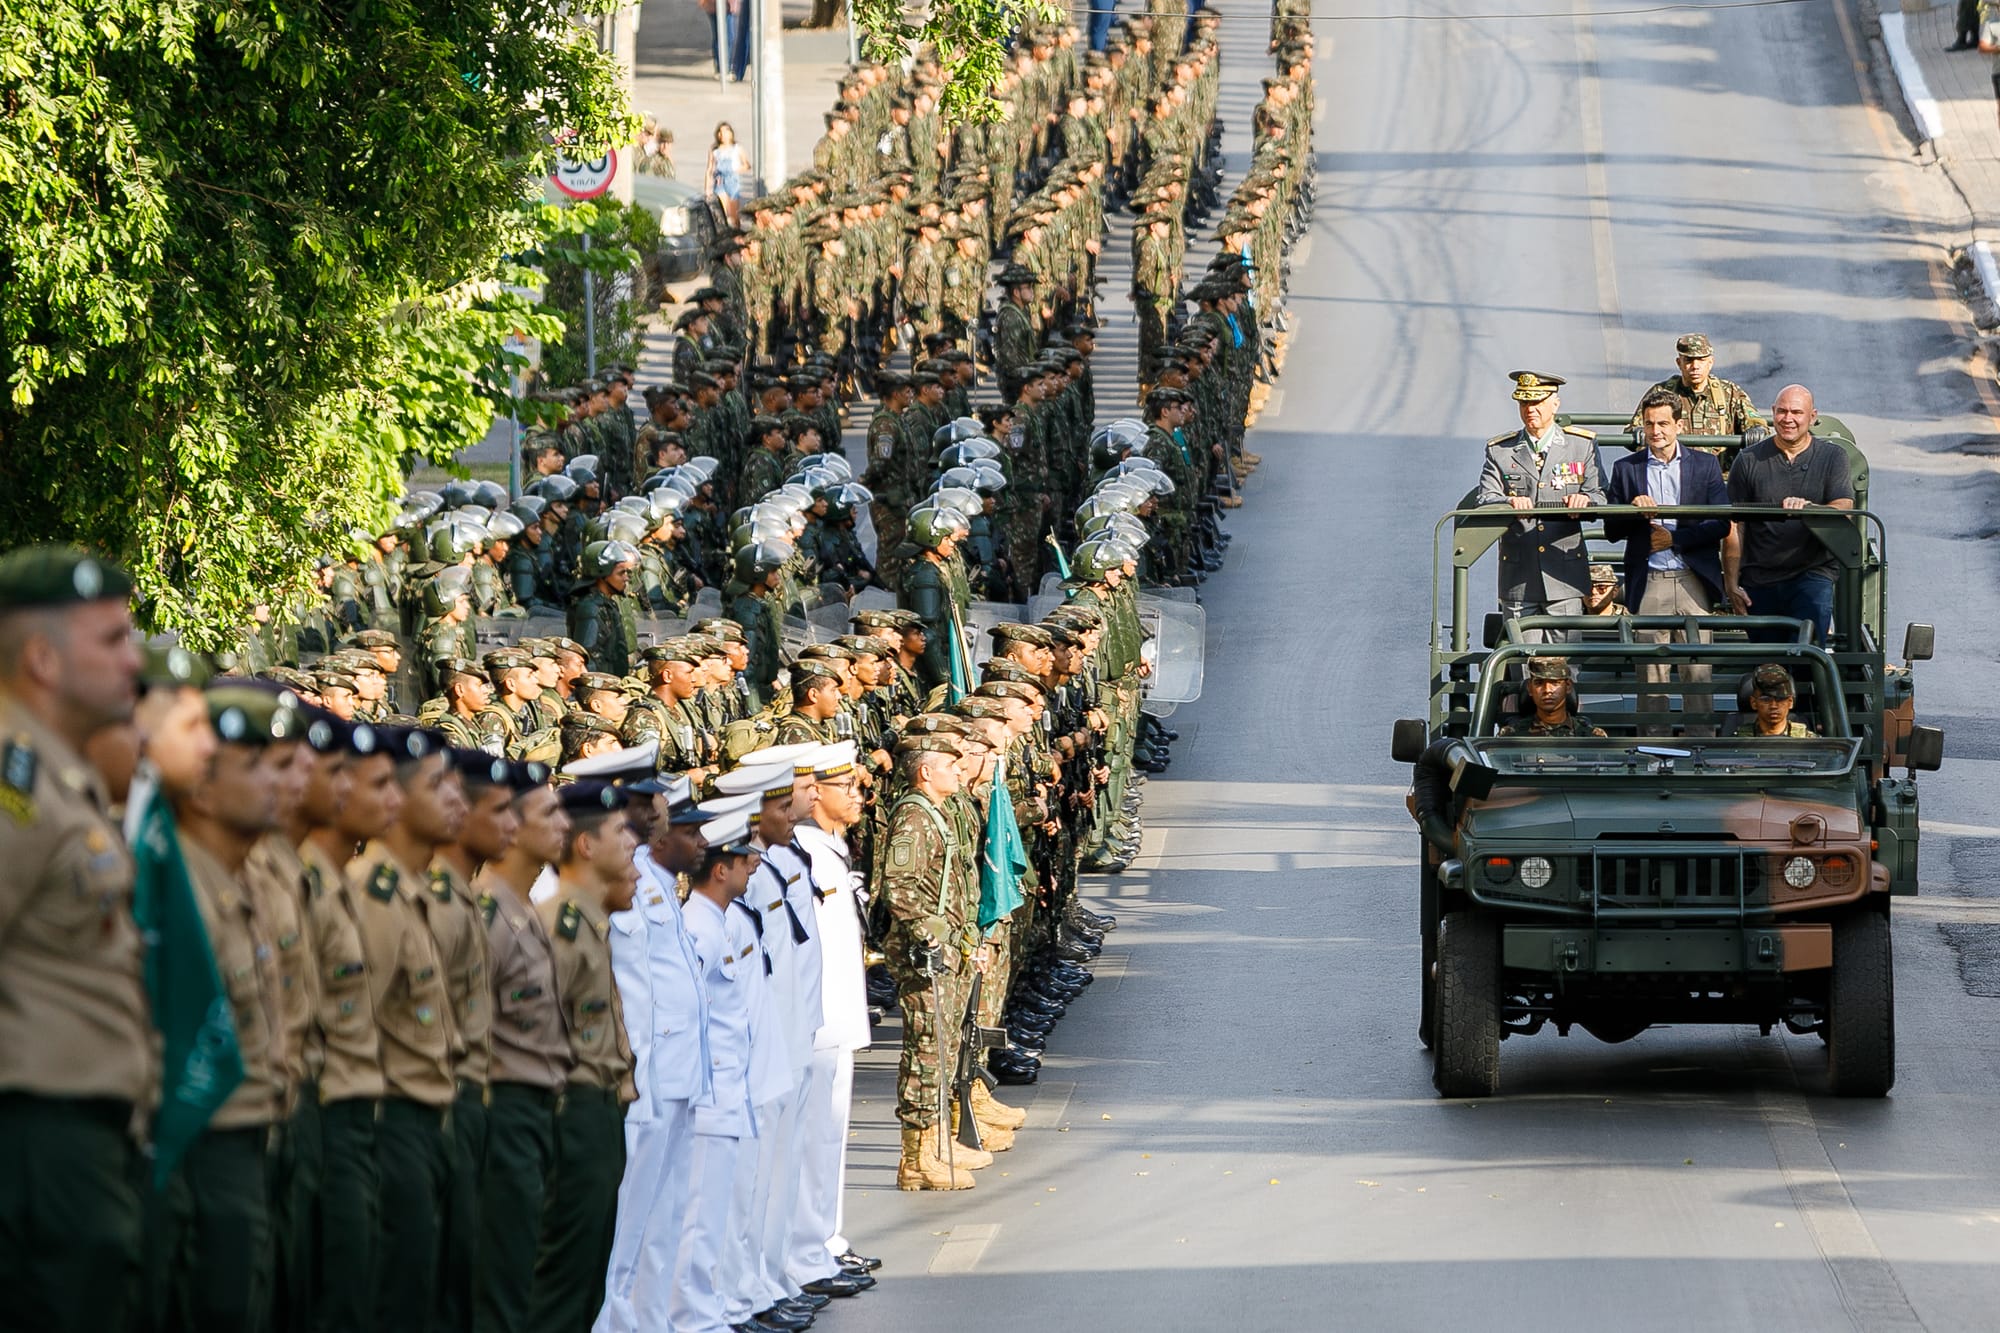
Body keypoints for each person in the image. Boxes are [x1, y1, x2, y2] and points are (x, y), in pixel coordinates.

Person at [0, 546, 148, 1333]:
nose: (134, 657)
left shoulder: (59, 774)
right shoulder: (12, 774)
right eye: (112, 639)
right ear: (42, 658)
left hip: (79, 1140)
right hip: (35, 1143)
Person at [352, 725, 465, 1333]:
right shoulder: (374, 895)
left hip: (431, 1117)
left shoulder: (421, 892)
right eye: (437, 786)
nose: (457, 800)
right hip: (391, 1122)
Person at [530, 780, 639, 1333]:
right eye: (621, 831)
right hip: (570, 1115)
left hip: (598, 1110)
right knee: (561, 1286)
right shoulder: (560, 928)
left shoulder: (590, 923)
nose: (633, 843)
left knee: (587, 1280)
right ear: (586, 846)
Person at [1604, 389, 1731, 731]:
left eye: (1663, 423)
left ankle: (1699, 745)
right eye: (1649, 424)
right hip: (1651, 582)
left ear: (1678, 424)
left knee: (1698, 670)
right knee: (1651, 673)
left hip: (1692, 580)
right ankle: (1653, 749)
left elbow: (1720, 522)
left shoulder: (1704, 466)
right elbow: (1611, 528)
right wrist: (1635, 513)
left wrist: (1675, 538)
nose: (1655, 431)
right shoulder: (1626, 469)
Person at [1475, 371, 1604, 642]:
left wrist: (1586, 501)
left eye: (1537, 403)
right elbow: (1486, 498)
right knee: (1524, 665)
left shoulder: (1580, 446)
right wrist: (1509, 502)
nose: (1530, 410)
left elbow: (1600, 494)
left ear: (1554, 404)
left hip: (1564, 576)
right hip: (1519, 579)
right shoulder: (1500, 450)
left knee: (1566, 667)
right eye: (1523, 403)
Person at [1722, 383, 1854, 645]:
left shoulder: (1833, 457)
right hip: (1760, 576)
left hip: (1812, 574)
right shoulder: (1748, 460)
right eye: (1782, 411)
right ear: (1772, 412)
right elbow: (1734, 526)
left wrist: (1810, 509)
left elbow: (1844, 508)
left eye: (1796, 412)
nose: (1788, 419)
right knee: (1769, 664)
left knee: (1809, 656)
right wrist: (1732, 584)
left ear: (1812, 416)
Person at [1627, 334, 1760, 437]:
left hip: (1718, 471)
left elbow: (1757, 425)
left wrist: (1755, 431)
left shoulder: (1729, 393)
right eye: (1688, 360)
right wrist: (1640, 433)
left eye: (1701, 360)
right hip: (1674, 470)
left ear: (1710, 363)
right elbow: (1633, 430)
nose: (1695, 366)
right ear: (1679, 363)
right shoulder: (1661, 393)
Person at [1497, 657, 1608, 738]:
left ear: (1568, 686)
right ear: (1530, 688)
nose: (1547, 690)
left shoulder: (1590, 736)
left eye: (1555, 683)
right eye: (1539, 683)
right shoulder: (1512, 735)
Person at [1736, 663, 1817, 737]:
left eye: (1780, 699)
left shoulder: (1808, 741)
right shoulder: (1737, 742)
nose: (1773, 706)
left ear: (1790, 702)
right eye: (1766, 699)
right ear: (1753, 703)